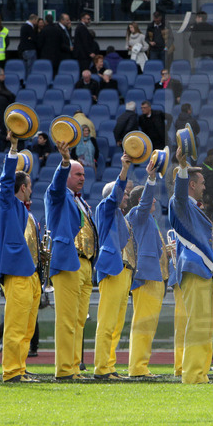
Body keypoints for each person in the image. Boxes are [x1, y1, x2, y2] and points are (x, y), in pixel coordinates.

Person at [0, 132, 43, 382]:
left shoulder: (24, 210)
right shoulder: (5, 204)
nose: (31, 190)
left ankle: (20, 367)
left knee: (27, 328)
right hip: (17, 272)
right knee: (15, 326)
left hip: (31, 273)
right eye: (29, 186)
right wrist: (13, 148)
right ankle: (11, 371)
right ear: (22, 187)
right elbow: (5, 183)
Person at [45, 139, 97, 380]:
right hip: (67, 261)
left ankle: (75, 367)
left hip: (84, 264)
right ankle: (64, 370)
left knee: (78, 320)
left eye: (83, 174)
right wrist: (65, 162)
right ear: (66, 176)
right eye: (77, 174)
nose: (82, 178)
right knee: (66, 320)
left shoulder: (81, 202)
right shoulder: (57, 195)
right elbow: (56, 186)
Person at [169, 146, 213, 384]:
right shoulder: (180, 203)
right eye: (202, 183)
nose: (205, 187)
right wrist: (182, 167)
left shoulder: (193, 209)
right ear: (192, 184)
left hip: (203, 269)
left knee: (204, 325)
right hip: (194, 268)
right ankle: (192, 375)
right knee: (198, 325)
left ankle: (200, 373)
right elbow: (178, 194)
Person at [92, 152, 135, 380]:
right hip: (111, 269)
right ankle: (101, 367)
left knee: (116, 323)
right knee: (107, 321)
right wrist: (124, 170)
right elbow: (116, 194)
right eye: (124, 194)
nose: (126, 198)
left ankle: (109, 365)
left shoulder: (119, 215)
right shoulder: (105, 208)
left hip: (122, 270)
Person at [126, 158, 168, 378]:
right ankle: (137, 368)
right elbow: (144, 204)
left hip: (155, 276)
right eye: (150, 201)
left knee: (148, 325)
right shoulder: (137, 215)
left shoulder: (148, 220)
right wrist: (151, 179)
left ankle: (141, 365)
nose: (154, 204)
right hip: (146, 276)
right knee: (143, 324)